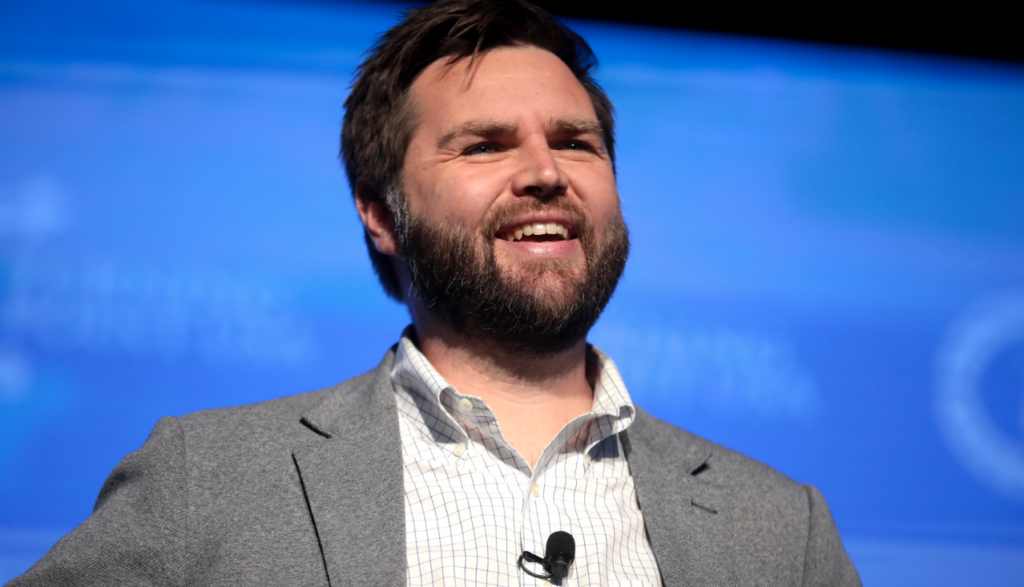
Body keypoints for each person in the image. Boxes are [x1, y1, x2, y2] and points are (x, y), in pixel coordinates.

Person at [8, 1, 861, 585]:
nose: (544, 172)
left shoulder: (783, 528)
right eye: (485, 145)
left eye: (578, 142)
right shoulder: (208, 479)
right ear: (381, 211)